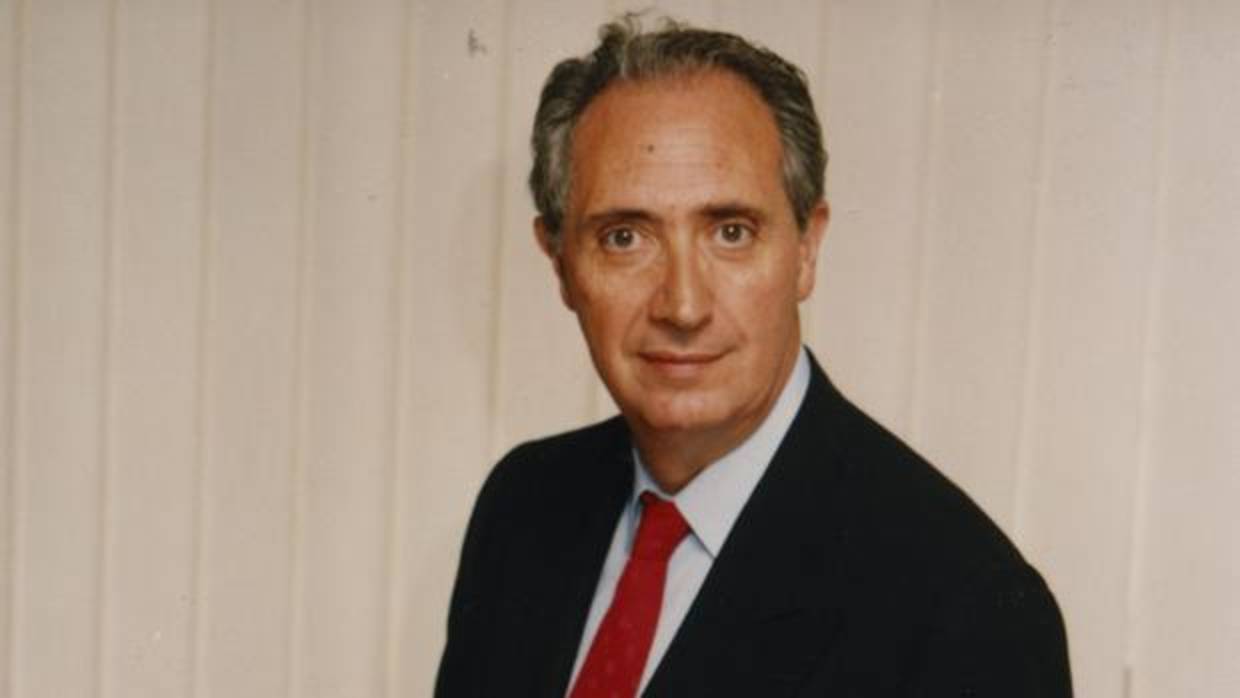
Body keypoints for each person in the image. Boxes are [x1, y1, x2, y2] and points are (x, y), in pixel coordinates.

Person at [436, 15, 1072, 698]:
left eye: (731, 232)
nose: (683, 306)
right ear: (560, 264)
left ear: (807, 249)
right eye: (625, 237)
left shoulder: (965, 610)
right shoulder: (523, 507)